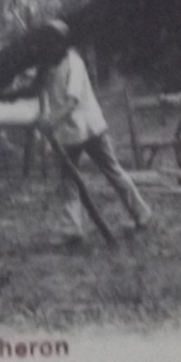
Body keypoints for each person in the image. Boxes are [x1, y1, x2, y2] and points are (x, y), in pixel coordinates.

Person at [39, 19, 153, 235]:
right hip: (69, 133)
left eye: (52, 43)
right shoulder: (50, 67)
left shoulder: (74, 63)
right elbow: (44, 91)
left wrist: (52, 122)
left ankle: (142, 213)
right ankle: (72, 229)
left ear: (61, 43)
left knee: (112, 171)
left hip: (90, 128)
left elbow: (72, 101)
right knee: (68, 182)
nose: (49, 48)